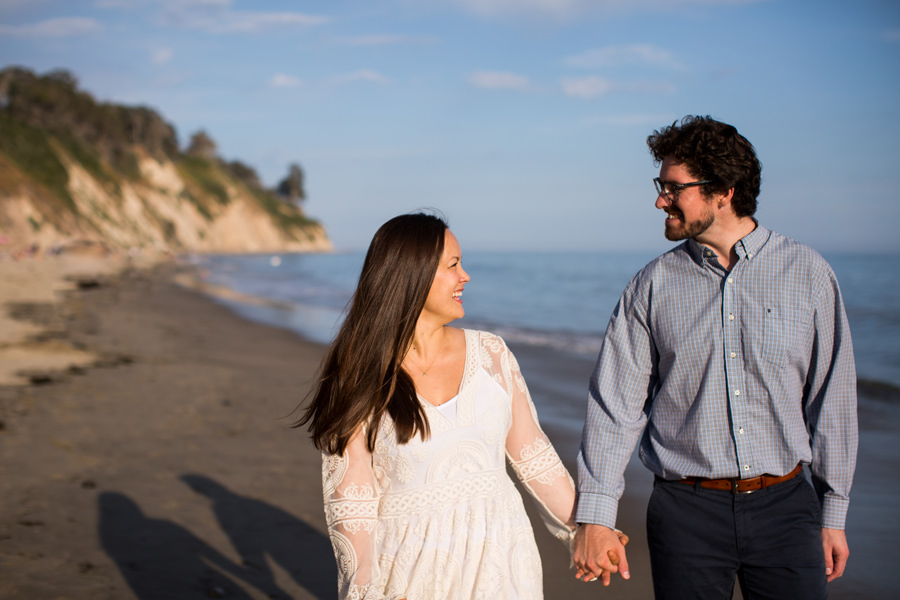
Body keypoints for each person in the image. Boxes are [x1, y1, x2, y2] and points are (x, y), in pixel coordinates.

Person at [572, 116, 858, 599]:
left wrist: (834, 512)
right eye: (661, 186)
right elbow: (614, 407)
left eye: (673, 188)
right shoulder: (650, 286)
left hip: (788, 510)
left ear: (723, 191)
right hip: (684, 514)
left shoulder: (808, 273)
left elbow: (832, 401)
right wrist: (595, 518)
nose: (660, 200)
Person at [297, 212, 606, 599]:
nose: (466, 276)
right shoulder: (360, 378)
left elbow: (534, 456)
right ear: (413, 274)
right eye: (453, 265)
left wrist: (586, 529)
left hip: (503, 563)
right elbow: (352, 505)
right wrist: (364, 591)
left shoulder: (491, 354)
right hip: (411, 576)